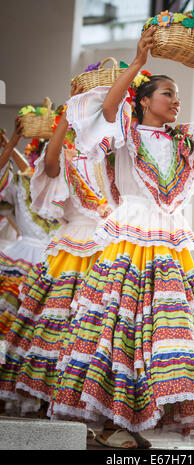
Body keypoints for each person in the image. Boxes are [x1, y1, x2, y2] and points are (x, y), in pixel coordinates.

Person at [48, 26, 194, 448]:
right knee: (120, 326)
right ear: (145, 100)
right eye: (167, 93)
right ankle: (109, 422)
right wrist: (136, 63)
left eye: (177, 95)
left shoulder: (185, 138)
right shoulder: (126, 134)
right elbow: (107, 110)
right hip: (130, 235)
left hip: (170, 237)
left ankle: (130, 420)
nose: (175, 101)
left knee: (163, 330)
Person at [0, 83, 110, 417]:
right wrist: (70, 110)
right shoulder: (67, 157)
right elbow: (47, 165)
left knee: (90, 328)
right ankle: (46, 396)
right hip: (69, 246)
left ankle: (80, 400)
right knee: (56, 323)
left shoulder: (110, 157)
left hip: (105, 246)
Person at [0, 121, 59, 343]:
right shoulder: (21, 183)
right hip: (22, 256)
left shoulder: (68, 188)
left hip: (55, 262)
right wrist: (11, 144)